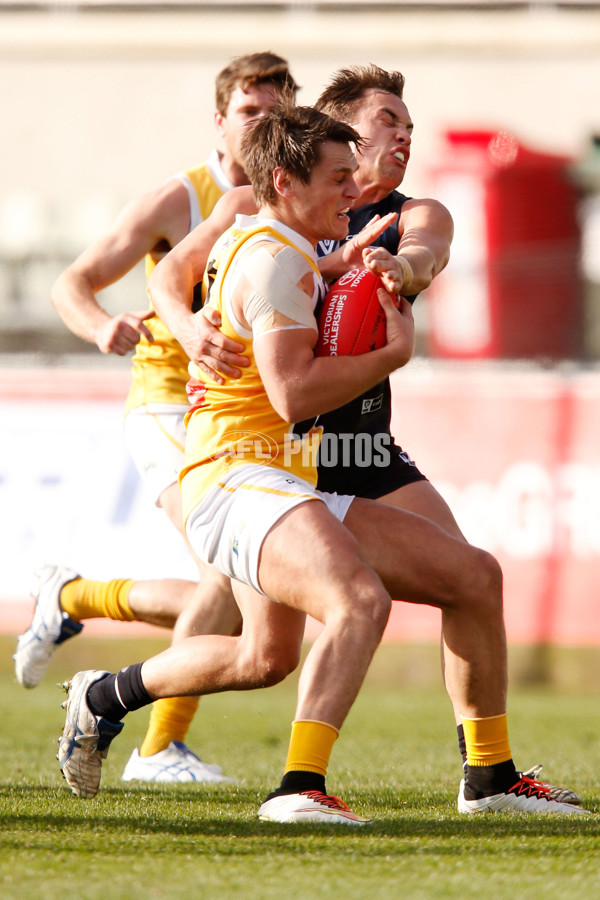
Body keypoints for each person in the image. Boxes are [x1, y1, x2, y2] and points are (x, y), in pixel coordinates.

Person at [56, 100, 585, 821]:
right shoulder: (277, 259)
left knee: (426, 594)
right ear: (284, 183)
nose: (352, 188)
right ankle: (297, 786)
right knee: (357, 601)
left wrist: (348, 262)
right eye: (339, 176)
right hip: (234, 480)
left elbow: (317, 274)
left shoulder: (285, 244)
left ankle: (102, 695)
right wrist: (393, 354)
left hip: (278, 479)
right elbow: (294, 395)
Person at [14, 51, 298, 785]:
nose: (263, 125)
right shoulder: (182, 198)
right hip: (170, 402)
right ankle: (157, 748)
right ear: (220, 121)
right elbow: (71, 281)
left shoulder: (288, 196)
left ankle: (74, 597)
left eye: (276, 112)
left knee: (235, 589)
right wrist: (100, 324)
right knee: (231, 583)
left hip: (237, 413)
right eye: (249, 113)